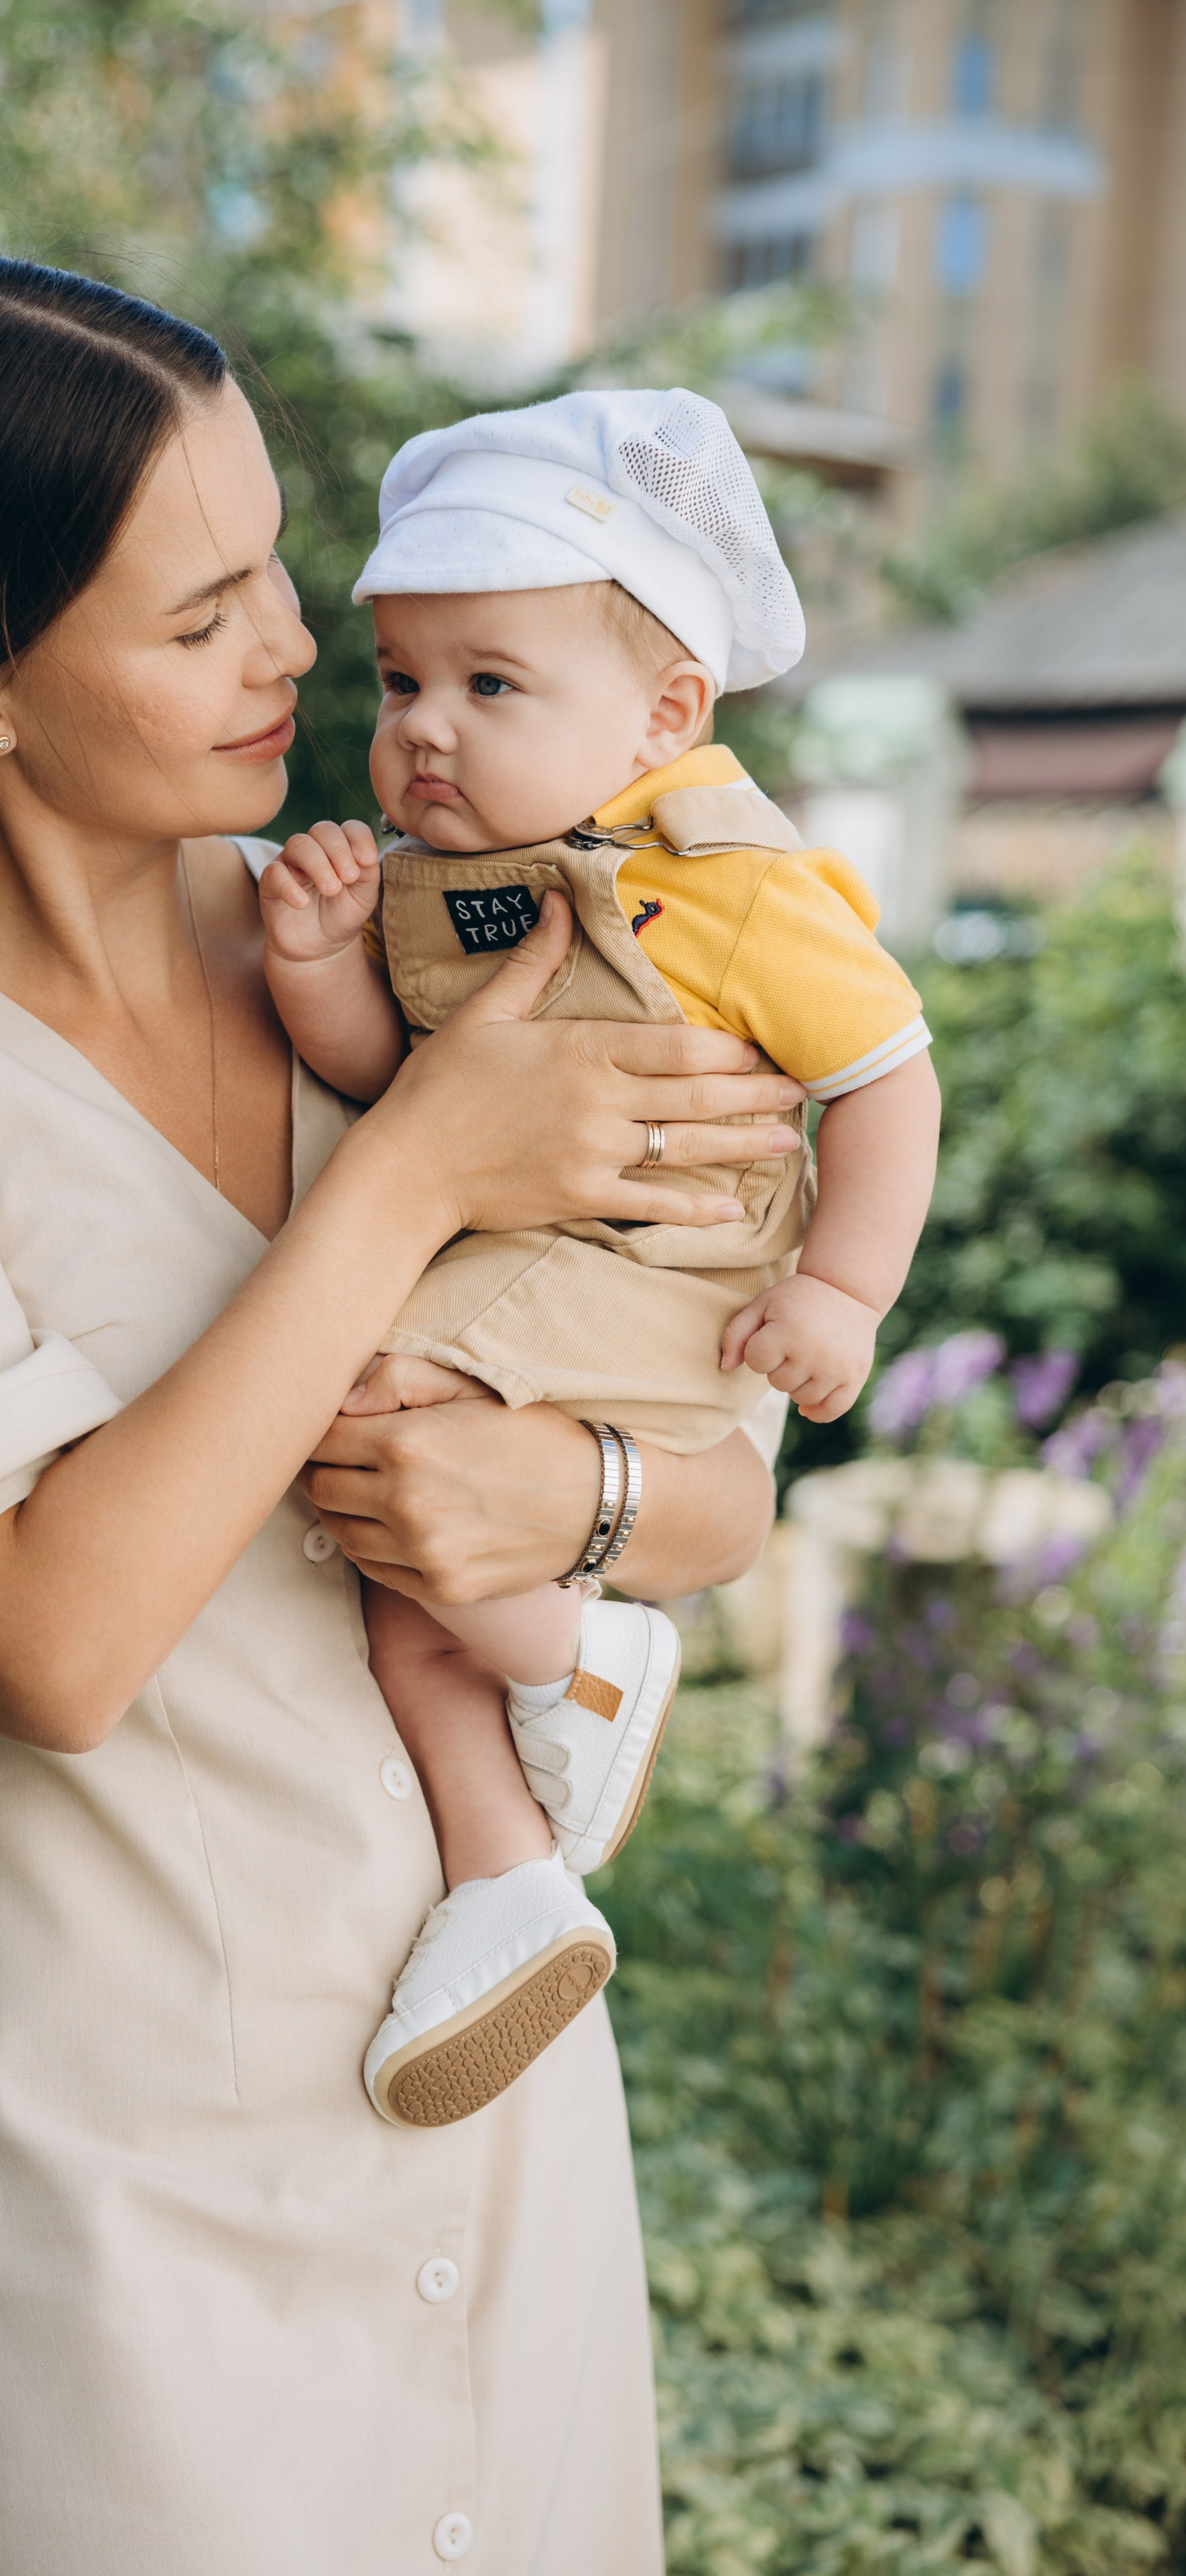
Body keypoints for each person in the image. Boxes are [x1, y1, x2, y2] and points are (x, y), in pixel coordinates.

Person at [0, 251, 808, 2576]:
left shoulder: (398, 932)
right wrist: (409, 1183)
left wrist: (564, 1483)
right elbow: (48, 1644)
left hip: (498, 2088)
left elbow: (719, 1493)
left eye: (280, 556)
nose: (294, 643)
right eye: (200, 615)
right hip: (112, 2194)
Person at [258, 390, 941, 2130]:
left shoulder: (727, 885)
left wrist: (845, 1294)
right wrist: (319, 961)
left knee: (365, 1409)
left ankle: (587, 1660)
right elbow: (390, 1090)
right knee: (402, 1579)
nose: (422, 729)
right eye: (401, 681)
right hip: (524, 1261)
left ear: (663, 711)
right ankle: (505, 1887)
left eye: (490, 685)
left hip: (655, 1275)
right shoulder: (438, 870)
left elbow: (883, 1077)